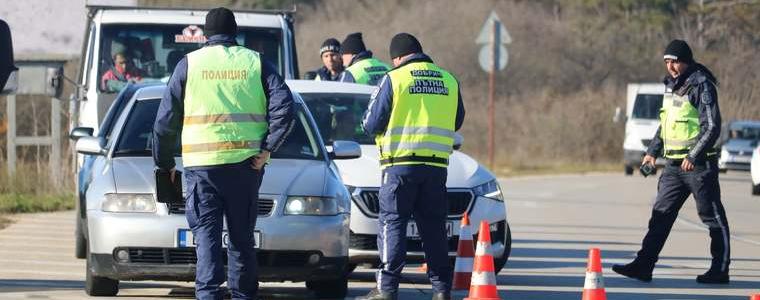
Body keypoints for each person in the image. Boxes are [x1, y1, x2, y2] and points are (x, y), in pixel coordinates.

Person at [152, 7, 295, 299]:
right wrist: (268, 148)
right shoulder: (255, 62)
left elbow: (165, 122)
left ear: (205, 34)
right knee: (242, 241)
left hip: (202, 168)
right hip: (245, 166)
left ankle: (208, 294)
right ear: (235, 32)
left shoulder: (188, 65)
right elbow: (286, 107)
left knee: (206, 239)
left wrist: (164, 163)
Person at [358, 33, 465, 300]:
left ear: (396, 57)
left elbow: (371, 123)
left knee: (392, 224)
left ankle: (387, 289)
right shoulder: (449, 79)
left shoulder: (394, 78)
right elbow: (457, 120)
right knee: (434, 229)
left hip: (400, 167)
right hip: (436, 168)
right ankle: (441, 290)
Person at [613, 39, 730, 284]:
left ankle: (720, 269)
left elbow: (712, 126)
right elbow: (665, 125)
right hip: (673, 167)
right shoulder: (671, 86)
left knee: (711, 216)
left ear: (685, 61)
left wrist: (693, 155)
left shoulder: (702, 85)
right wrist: (651, 152)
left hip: (698, 166)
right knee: (660, 215)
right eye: (667, 62)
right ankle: (643, 266)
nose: (671, 66)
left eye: (675, 61)